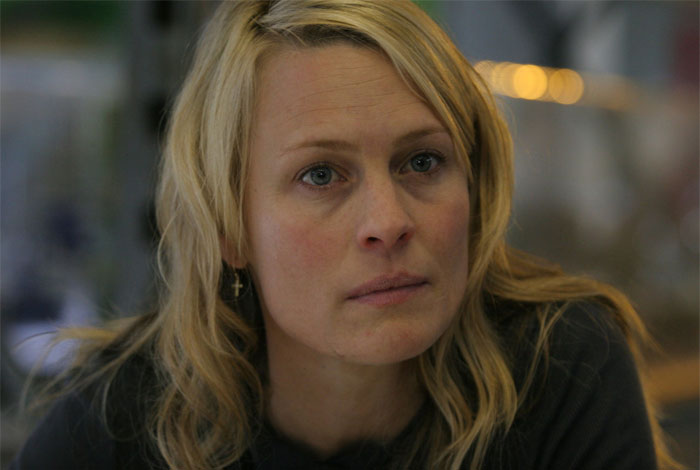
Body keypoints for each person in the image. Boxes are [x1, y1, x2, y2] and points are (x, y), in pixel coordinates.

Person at [11, 1, 679, 469]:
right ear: (229, 229)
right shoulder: (115, 428)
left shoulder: (561, 370)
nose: (388, 221)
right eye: (321, 175)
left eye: (423, 162)